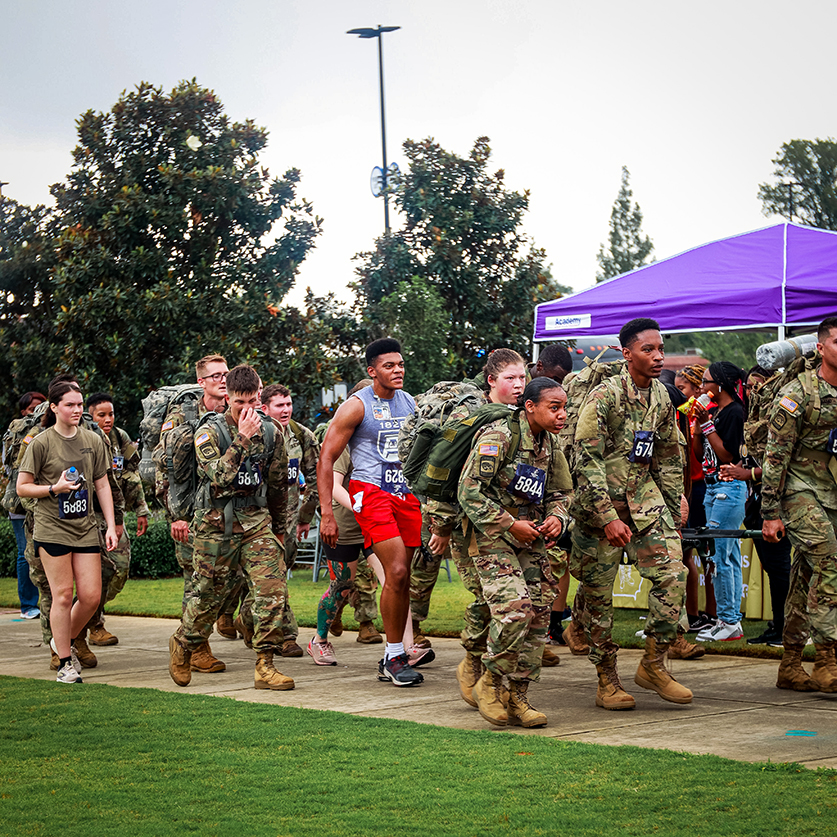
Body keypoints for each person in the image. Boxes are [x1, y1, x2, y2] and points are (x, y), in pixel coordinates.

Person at [571, 317, 691, 710]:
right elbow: (584, 458)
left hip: (645, 500)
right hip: (598, 509)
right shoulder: (604, 396)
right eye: (648, 350)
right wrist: (607, 516)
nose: (658, 357)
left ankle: (654, 665)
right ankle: (607, 680)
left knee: (674, 574)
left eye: (661, 349)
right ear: (627, 353)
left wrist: (674, 509)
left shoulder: (661, 396)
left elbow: (669, 457)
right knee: (598, 600)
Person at [168, 364, 292, 690]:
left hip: (255, 523)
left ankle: (265, 664)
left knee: (271, 592)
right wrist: (241, 438)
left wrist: (279, 528)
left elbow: (279, 485)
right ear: (227, 399)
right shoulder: (209, 433)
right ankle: (184, 643)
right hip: (213, 524)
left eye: (253, 402)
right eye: (240, 403)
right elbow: (220, 476)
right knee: (208, 595)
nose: (247, 410)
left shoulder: (271, 432)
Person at [457, 376, 572, 728]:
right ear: (530, 406)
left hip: (530, 537)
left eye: (564, 407)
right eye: (555, 408)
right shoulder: (499, 437)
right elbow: (469, 491)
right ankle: (490, 685)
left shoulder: (551, 445)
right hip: (491, 535)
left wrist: (557, 517)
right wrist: (509, 524)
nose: (562, 415)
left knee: (539, 617)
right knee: (516, 611)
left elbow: (562, 492)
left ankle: (518, 695)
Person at [318, 338, 424, 686]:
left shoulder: (410, 402)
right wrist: (327, 514)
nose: (398, 371)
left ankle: (394, 654)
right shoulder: (355, 407)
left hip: (404, 493)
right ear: (372, 370)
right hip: (370, 491)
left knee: (403, 575)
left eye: (401, 364)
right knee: (393, 570)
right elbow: (326, 459)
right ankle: (395, 655)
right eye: (389, 366)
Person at [17, 381, 118, 684]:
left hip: (85, 527)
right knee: (62, 595)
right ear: (54, 407)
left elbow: (102, 484)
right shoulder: (40, 442)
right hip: (52, 528)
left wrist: (111, 525)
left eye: (79, 404)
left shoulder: (93, 439)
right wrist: (54, 488)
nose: (76, 410)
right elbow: (23, 486)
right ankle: (65, 661)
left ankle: (60, 639)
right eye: (70, 405)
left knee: (90, 596)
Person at [762, 316, 837, 693]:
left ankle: (790, 663)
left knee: (806, 577)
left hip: (832, 491)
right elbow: (775, 457)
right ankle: (827, 658)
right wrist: (771, 512)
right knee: (830, 560)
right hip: (798, 490)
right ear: (820, 347)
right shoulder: (798, 393)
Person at [155, 353, 228, 673]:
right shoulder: (182, 417)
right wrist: (177, 515)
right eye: (215, 376)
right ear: (201, 382)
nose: (222, 380)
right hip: (192, 513)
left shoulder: (235, 413)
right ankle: (195, 647)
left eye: (225, 374)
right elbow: (165, 468)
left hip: (227, 513)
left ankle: (200, 634)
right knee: (198, 583)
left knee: (226, 581)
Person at [260, 383, 320, 658]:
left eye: (288, 404)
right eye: (279, 405)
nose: (286, 410)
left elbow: (318, 478)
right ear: (265, 408)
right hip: (257, 522)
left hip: (289, 522)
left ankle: (250, 622)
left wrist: (305, 516)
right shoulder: (255, 435)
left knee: (278, 576)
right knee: (271, 579)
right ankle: (286, 635)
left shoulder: (302, 436)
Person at [85, 392, 150, 645]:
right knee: (97, 573)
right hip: (89, 516)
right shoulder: (85, 439)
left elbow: (131, 475)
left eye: (111, 413)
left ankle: (91, 613)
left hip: (114, 515)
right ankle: (93, 625)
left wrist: (141, 509)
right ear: (90, 415)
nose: (108, 419)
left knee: (120, 570)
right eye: (102, 415)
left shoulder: (119, 437)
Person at [693, 361, 748, 642]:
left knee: (720, 557)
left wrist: (706, 424)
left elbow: (727, 456)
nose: (702, 387)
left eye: (706, 381)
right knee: (728, 556)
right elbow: (699, 454)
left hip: (730, 488)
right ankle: (728, 621)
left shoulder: (735, 412)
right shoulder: (715, 412)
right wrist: (697, 427)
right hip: (713, 487)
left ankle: (728, 620)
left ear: (721, 385)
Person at [4, 391, 46, 619]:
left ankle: (47, 602)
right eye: (33, 407)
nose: (38, 411)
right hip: (21, 504)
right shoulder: (20, 432)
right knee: (24, 552)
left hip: (45, 502)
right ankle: (28, 605)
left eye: (42, 406)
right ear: (24, 411)